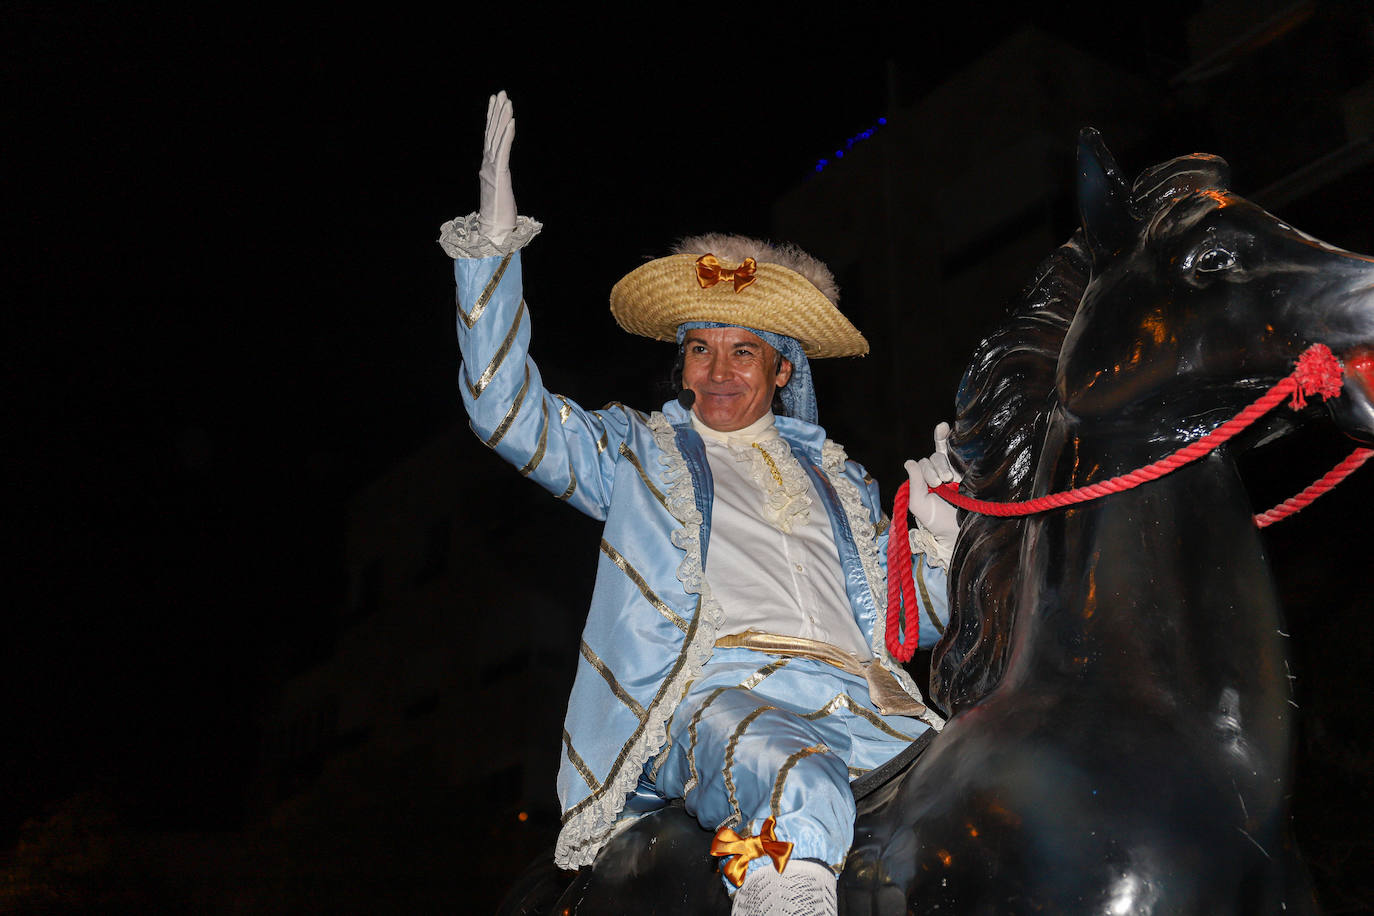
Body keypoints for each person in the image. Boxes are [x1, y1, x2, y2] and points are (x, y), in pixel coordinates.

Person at [439, 92, 959, 916]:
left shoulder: (843, 480)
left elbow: (909, 628)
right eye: (700, 350)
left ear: (782, 369)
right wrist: (494, 252)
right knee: (794, 773)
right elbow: (505, 409)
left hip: (870, 710)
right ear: (680, 365)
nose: (718, 372)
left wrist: (939, 547)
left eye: (743, 351)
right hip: (719, 704)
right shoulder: (639, 454)